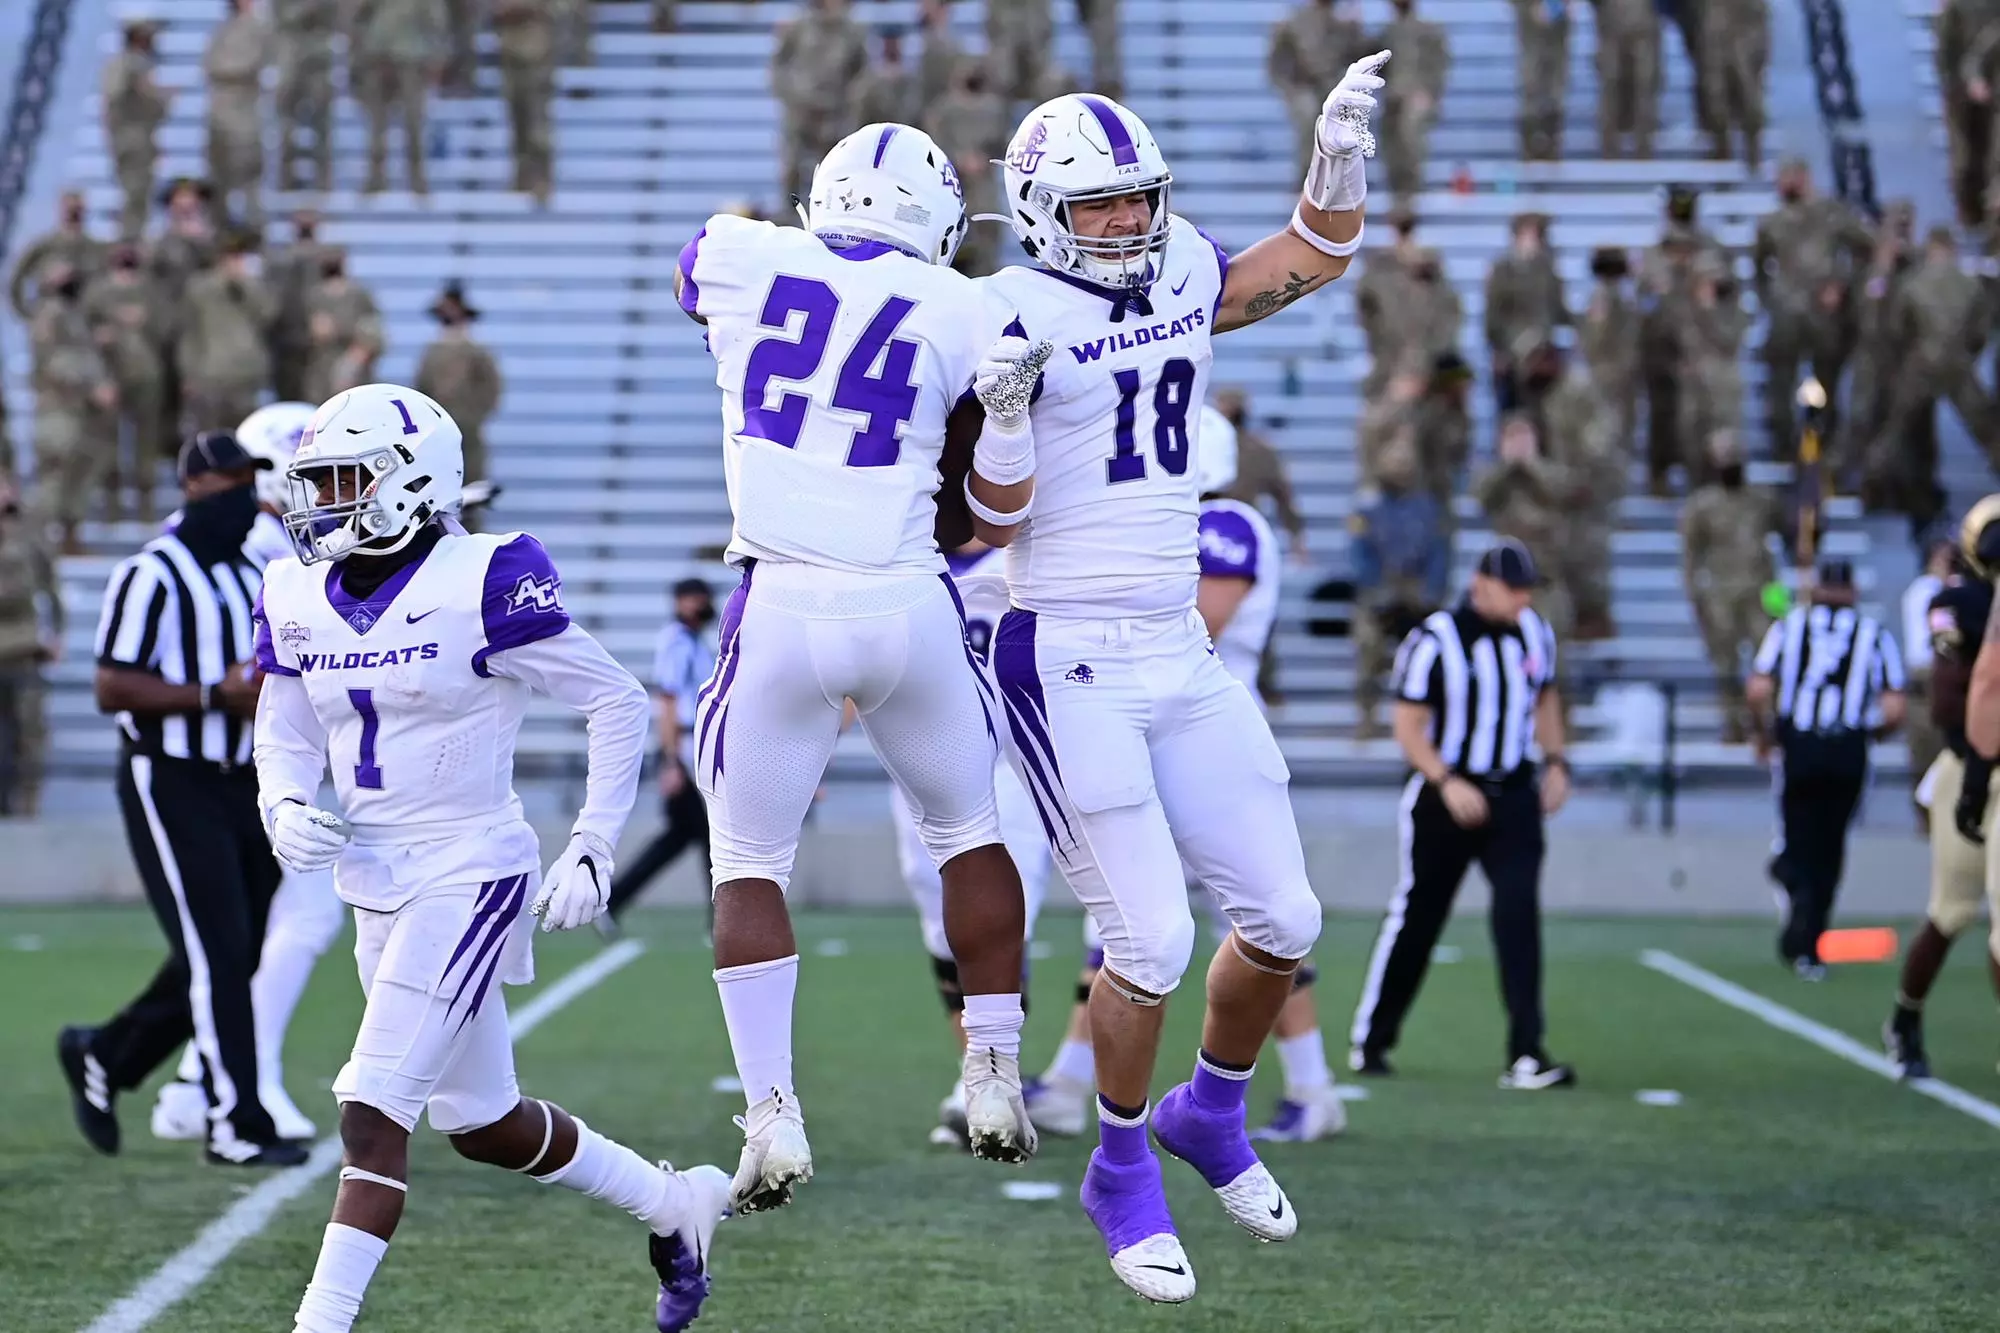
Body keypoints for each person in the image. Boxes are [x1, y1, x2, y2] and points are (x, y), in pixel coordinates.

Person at [981, 56, 1385, 1301]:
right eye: (1099, 204)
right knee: (1146, 935)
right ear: (1042, 208)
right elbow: (984, 521)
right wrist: (998, 417)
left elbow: (1310, 256)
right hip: (1061, 646)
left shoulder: (1180, 267)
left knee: (1285, 919)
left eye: (1137, 198)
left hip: (1176, 645)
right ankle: (1115, 1164)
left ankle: (1208, 1113)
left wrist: (1335, 153)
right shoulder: (995, 310)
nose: (1126, 223)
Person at [250, 384, 728, 1333]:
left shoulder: (484, 574)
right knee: (481, 1121)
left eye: (344, 480)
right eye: (316, 482)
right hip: (375, 875)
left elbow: (616, 700)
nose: (322, 503)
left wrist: (593, 841)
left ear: (412, 481)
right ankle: (676, 1203)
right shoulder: (294, 589)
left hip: (469, 867)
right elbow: (287, 725)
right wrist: (281, 798)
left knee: (372, 1110)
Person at [675, 121, 1048, 1209]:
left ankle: (771, 1110)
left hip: (781, 597)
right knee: (969, 831)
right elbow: (982, 502)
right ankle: (989, 1069)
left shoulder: (736, 252)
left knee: (746, 861)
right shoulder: (973, 307)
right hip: (907, 598)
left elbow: (693, 281)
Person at [56, 431, 302, 1167]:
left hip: (240, 779)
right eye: (227, 484)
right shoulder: (151, 573)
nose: (240, 499)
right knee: (216, 951)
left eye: (247, 483)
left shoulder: (249, 568)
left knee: (238, 944)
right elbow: (111, 685)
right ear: (193, 487)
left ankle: (106, 1051)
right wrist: (211, 693)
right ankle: (236, 1122)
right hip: (170, 776)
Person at [150, 401, 337, 1145]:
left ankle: (201, 1081)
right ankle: (236, 1080)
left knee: (250, 932)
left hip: (275, 749)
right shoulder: (253, 547)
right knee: (271, 926)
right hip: (254, 755)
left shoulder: (258, 539)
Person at [1349, 540, 1574, 1086]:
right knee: (1419, 919)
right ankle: (1373, 1039)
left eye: (1528, 590)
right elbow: (1408, 726)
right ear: (1481, 585)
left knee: (1518, 914)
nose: (1523, 600)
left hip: (1514, 793)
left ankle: (1527, 1052)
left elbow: (1544, 699)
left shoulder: (1534, 631)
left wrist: (1557, 762)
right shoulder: (1434, 640)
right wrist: (1446, 781)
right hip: (1445, 796)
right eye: (1513, 589)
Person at [891, 541, 1059, 1147]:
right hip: (917, 752)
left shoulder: (1028, 554)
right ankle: (976, 1077)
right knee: (941, 924)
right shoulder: (901, 552)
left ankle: (996, 1081)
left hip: (1006, 762)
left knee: (1000, 917)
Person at [1748, 560, 1907, 977]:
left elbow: (1759, 688)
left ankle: (1793, 884)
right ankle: (1810, 943)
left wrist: (1765, 731)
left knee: (1798, 835)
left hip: (1800, 743)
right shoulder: (1872, 634)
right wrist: (1870, 735)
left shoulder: (1790, 626)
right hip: (1846, 746)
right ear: (1852, 591)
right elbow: (1894, 707)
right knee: (1831, 846)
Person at [1886, 501, 2000, 1079]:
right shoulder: (1956, 604)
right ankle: (1905, 1018)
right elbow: (1955, 694)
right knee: (1950, 911)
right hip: (1969, 764)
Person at [601, 579, 719, 927]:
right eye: (695, 598)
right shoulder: (677, 641)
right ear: (681, 602)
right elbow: (667, 700)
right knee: (713, 838)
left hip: (690, 748)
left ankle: (612, 901)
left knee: (680, 837)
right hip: (683, 750)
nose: (702, 604)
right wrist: (670, 761)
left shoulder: (694, 642)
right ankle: (723, 922)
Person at [1753, 159, 1874, 459]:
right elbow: (1759, 268)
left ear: (1806, 178)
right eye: (1783, 178)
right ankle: (1783, 444)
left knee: (1827, 380)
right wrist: (1771, 298)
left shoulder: (1832, 214)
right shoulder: (1772, 222)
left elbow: (1867, 249)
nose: (1788, 184)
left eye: (1793, 177)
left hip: (1824, 315)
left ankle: (1825, 442)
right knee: (1780, 382)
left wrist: (1842, 286)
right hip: (1786, 316)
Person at [1679, 432, 1780, 742]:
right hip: (1720, 593)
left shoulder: (1762, 500)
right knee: (1726, 662)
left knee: (1770, 656)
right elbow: (1691, 556)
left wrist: (1781, 605)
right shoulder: (1702, 507)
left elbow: (1789, 533)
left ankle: (1771, 723)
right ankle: (1733, 723)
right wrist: (1696, 595)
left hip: (1764, 589)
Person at [30, 261, 120, 555]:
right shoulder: (50, 315)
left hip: (83, 414)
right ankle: (41, 543)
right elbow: (52, 363)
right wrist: (90, 387)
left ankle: (70, 536)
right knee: (55, 477)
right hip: (60, 411)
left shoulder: (75, 315)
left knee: (80, 474)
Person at [82, 242, 172, 522]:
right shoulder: (97, 292)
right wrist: (103, 333)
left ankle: (145, 501)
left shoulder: (151, 291)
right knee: (109, 441)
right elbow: (81, 329)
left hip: (147, 373)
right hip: (110, 374)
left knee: (147, 439)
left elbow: (168, 328)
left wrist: (145, 321)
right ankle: (112, 503)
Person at [0, 475, 62, 817]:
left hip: (23, 646)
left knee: (29, 731)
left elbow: (49, 582)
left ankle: (26, 806)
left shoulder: (27, 527)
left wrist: (57, 632)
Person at [769, 0, 870, 204]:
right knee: (792, 166)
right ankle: (790, 213)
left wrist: (850, 100)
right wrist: (791, 95)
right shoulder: (799, 27)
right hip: (801, 111)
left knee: (836, 170)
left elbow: (862, 72)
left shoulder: (853, 32)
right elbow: (778, 66)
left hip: (834, 113)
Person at [178, 231, 276, 433]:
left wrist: (245, 285)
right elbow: (189, 334)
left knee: (247, 434)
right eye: (231, 255)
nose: (235, 261)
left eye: (240, 255)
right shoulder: (200, 287)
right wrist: (189, 374)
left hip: (248, 373)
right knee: (211, 434)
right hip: (212, 374)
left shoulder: (254, 286)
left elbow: (269, 315)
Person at [414, 282, 503, 490]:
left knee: (472, 486)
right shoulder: (432, 353)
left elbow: (491, 388)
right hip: (437, 433)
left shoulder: (477, 351)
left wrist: (473, 416)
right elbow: (421, 390)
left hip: (468, 431)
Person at [352, 0, 442, 196]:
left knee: (413, 121)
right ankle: (376, 177)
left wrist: (435, 55)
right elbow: (357, 18)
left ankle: (417, 178)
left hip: (411, 58)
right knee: (377, 124)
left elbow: (436, 21)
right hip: (376, 58)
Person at [1269, 0, 1367, 178]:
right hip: (1303, 87)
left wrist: (1355, 30)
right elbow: (1277, 63)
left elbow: (1358, 55)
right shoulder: (1294, 23)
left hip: (1331, 87)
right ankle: (1308, 178)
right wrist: (1290, 90)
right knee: (1309, 115)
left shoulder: (1342, 25)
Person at [1483, 213, 1567, 414]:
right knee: (1514, 416)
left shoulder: (1547, 271)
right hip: (1512, 355)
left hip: (1542, 358)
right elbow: (1493, 316)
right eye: (1529, 233)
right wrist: (1504, 348)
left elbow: (1557, 310)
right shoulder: (1502, 270)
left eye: (1537, 234)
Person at [204, 0, 275, 227]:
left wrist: (225, 70)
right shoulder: (224, 28)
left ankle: (255, 231)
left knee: (248, 176)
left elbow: (246, 64)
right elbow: (210, 62)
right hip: (219, 113)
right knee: (218, 177)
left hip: (243, 114)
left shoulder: (258, 28)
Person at [102, 19, 172, 242]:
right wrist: (162, 99)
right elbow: (148, 102)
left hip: (132, 139)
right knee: (136, 197)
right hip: (133, 141)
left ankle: (132, 240)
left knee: (138, 197)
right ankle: (129, 244)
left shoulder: (122, 65)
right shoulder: (133, 66)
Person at [1903, 539, 1958, 811]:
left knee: (1935, 746)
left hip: (1934, 673)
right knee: (1925, 747)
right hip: (1927, 672)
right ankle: (1926, 810)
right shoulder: (1928, 591)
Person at [1374, 0, 1447, 195]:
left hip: (1417, 95)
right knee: (1390, 141)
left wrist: (1429, 92)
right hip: (1393, 97)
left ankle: (1411, 186)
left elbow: (1439, 66)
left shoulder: (1428, 31)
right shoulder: (1387, 33)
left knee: (1410, 134)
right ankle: (1396, 186)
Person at [9, 190, 107, 321]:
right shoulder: (42, 248)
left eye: (78, 210)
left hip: (86, 326)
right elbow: (16, 280)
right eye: (69, 210)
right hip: (50, 327)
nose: (73, 214)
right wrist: (29, 316)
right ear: (61, 211)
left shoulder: (97, 249)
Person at [303, 250, 385, 406]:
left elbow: (374, 333)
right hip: (322, 369)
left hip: (352, 369)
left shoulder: (358, 295)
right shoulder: (315, 295)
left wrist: (357, 356)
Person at [494, 0, 557, 204]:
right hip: (509, 52)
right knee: (516, 117)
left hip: (535, 52)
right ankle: (521, 176)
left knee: (537, 121)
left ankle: (542, 178)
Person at [275, 0, 338, 193]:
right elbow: (284, 17)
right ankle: (286, 179)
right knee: (286, 125)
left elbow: (335, 15)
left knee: (322, 125)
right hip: (291, 63)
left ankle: (324, 181)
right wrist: (307, 8)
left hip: (319, 62)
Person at [1701, 0, 1768, 169]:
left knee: (1750, 98)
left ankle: (1754, 152)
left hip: (1746, 35)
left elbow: (1760, 18)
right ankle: (1722, 150)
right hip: (1716, 35)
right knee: (1715, 100)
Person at [1591, 0, 1658, 158]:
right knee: (1611, 87)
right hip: (1611, 27)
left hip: (1644, 28)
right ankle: (1609, 149)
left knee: (1644, 88)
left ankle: (1643, 148)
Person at [1510, 0, 1570, 161]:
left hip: (1559, 23)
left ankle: (1552, 149)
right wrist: (1532, 5)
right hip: (1530, 22)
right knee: (1531, 83)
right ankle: (1529, 150)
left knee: (1556, 87)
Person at [987, 0, 1055, 104]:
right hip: (1007, 53)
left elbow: (1045, 30)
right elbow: (992, 29)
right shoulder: (998, 6)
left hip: (1034, 52)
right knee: (1003, 71)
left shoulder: (1038, 6)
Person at [852, 28, 920, 129]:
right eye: (888, 43)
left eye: (895, 43)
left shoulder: (909, 79)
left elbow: (911, 110)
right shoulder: (870, 77)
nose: (892, 46)